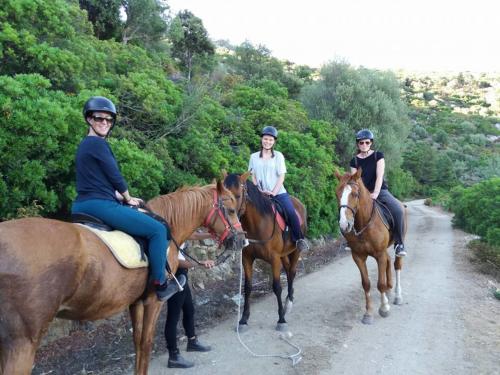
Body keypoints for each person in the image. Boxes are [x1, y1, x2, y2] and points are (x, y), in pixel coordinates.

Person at [71, 96, 185, 301]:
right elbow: (114, 174)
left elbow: (96, 181)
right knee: (157, 230)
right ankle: (160, 283)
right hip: (100, 205)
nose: (104, 123)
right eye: (99, 119)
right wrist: (127, 196)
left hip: (85, 202)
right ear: (89, 119)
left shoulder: (85, 145)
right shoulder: (97, 144)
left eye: (108, 120)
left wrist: (117, 196)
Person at [248, 125, 309, 252]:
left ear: (274, 141)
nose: (267, 142)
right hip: (260, 194)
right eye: (265, 139)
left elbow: (281, 176)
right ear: (261, 139)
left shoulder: (278, 156)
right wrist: (258, 190)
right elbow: (252, 175)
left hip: (278, 193)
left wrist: (273, 192)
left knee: (291, 212)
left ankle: (299, 239)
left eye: (270, 140)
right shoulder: (253, 157)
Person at [349, 129, 407, 257]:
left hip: (380, 191)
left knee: (398, 210)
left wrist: (375, 193)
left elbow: (380, 176)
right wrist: (362, 195)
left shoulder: (378, 156)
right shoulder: (354, 161)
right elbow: (354, 181)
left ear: (371, 143)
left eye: (367, 142)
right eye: (361, 143)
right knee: (347, 209)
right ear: (357, 144)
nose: (364, 145)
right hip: (362, 194)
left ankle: (399, 243)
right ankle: (350, 241)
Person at [165, 232, 213, 369]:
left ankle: (192, 341)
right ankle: (173, 356)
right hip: (175, 276)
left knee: (189, 309)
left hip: (182, 276)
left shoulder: (181, 229)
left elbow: (195, 235)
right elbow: (175, 261)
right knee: (173, 316)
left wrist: (212, 234)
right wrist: (199, 263)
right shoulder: (168, 235)